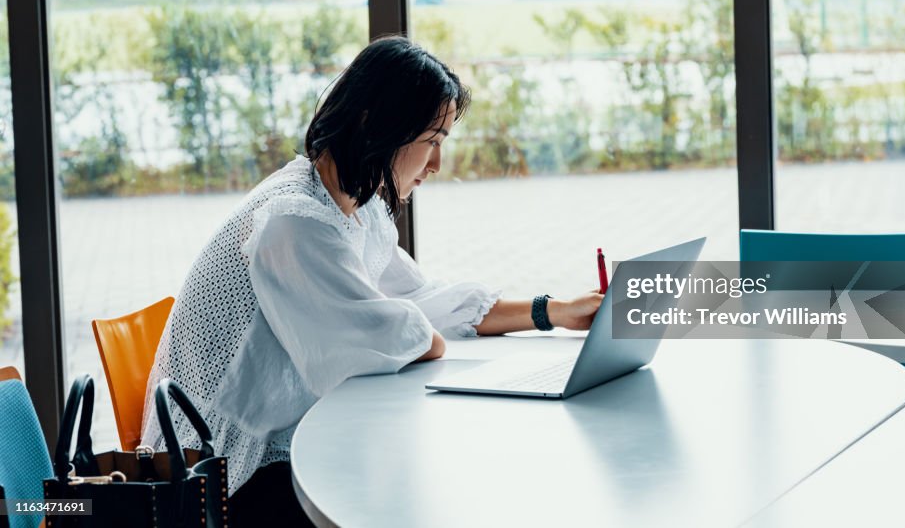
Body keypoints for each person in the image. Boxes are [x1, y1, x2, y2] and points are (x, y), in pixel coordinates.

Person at [140, 36, 603, 525]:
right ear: (375, 124)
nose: (437, 165)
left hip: (280, 440)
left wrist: (554, 312)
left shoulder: (357, 203)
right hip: (227, 476)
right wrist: (419, 333)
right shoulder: (294, 222)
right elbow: (382, 342)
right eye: (432, 141)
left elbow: (422, 303)